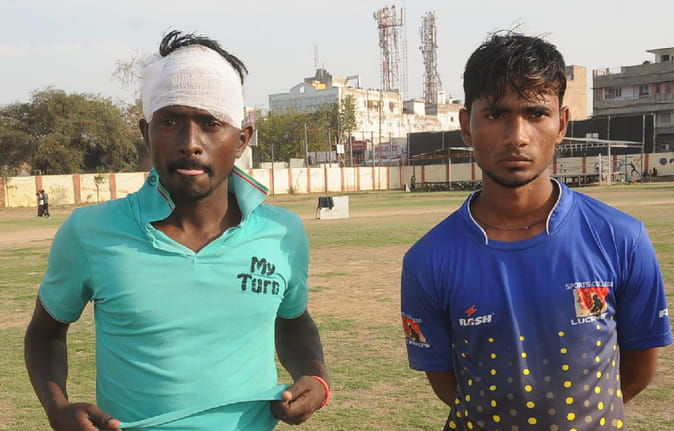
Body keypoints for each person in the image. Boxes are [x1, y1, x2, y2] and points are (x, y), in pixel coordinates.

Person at [25, 30, 329, 431]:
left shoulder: (282, 233)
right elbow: (45, 333)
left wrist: (315, 377)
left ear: (242, 139)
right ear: (146, 133)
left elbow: (292, 320)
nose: (190, 143)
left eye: (210, 123)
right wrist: (57, 408)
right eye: (170, 122)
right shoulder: (89, 232)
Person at [400, 32, 671, 431]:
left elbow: (638, 370)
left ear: (561, 124)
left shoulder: (621, 238)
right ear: (466, 126)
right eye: (496, 115)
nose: (517, 136)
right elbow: (448, 385)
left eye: (536, 113)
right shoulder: (428, 260)